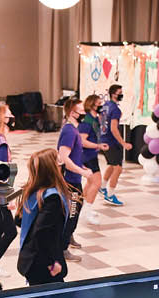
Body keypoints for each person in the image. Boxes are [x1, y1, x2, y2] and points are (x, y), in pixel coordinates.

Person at [16, 149, 72, 285]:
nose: (62, 164)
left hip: (30, 259)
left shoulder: (33, 191)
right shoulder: (52, 198)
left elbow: (18, 220)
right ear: (53, 168)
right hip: (43, 264)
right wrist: (52, 263)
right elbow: (41, 233)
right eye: (59, 161)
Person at [57, 98, 91, 258]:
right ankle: (63, 248)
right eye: (82, 111)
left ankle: (68, 237)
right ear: (72, 113)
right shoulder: (69, 131)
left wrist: (82, 168)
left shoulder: (73, 129)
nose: (84, 113)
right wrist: (82, 172)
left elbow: (73, 156)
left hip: (75, 178)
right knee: (72, 213)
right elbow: (63, 157)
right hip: (70, 181)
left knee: (75, 211)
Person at [100, 84, 133, 206]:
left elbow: (101, 121)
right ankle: (110, 195)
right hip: (111, 142)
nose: (121, 94)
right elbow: (114, 129)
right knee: (118, 168)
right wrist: (123, 143)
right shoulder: (115, 110)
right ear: (114, 94)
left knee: (112, 164)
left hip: (103, 139)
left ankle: (102, 187)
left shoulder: (105, 106)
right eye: (120, 92)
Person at [78, 95, 109, 220]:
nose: (101, 106)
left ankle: (82, 207)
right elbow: (82, 141)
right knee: (96, 183)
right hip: (87, 156)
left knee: (90, 182)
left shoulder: (94, 119)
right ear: (92, 105)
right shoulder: (87, 121)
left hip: (91, 155)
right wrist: (98, 145)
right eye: (99, 103)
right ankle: (87, 210)